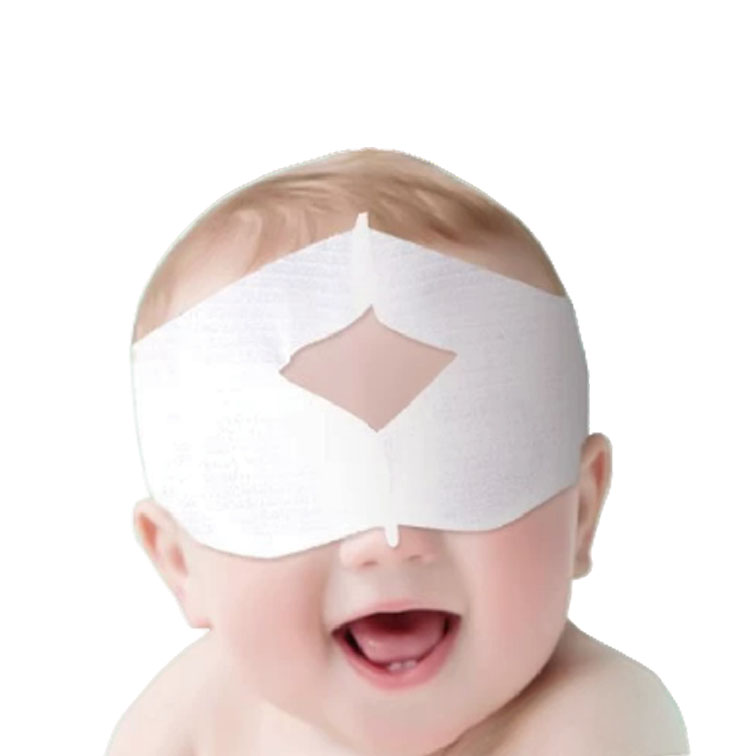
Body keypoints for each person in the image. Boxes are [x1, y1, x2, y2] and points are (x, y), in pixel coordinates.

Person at [106, 148, 689, 755]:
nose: (388, 540)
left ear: (581, 514)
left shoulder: (603, 717)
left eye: (463, 463)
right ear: (180, 564)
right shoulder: (192, 716)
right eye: (295, 485)